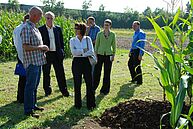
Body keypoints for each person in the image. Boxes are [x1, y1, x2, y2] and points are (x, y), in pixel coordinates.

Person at [21, 6, 49, 118]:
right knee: (30, 87)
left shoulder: (34, 28)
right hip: (32, 63)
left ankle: (33, 105)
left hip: (38, 61)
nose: (41, 18)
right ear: (34, 15)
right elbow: (26, 47)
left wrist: (42, 49)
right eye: (40, 16)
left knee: (35, 86)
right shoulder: (26, 28)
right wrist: (40, 47)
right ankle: (28, 110)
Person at [38, 11, 70, 97]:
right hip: (46, 54)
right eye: (48, 18)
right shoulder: (41, 29)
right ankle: (47, 91)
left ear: (54, 19)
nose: (50, 20)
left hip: (57, 54)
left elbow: (61, 42)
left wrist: (62, 52)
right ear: (45, 19)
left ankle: (64, 91)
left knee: (60, 73)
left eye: (51, 18)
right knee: (46, 73)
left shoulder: (57, 29)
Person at [70, 23, 96, 110]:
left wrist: (80, 52)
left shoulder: (88, 39)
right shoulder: (72, 40)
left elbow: (91, 51)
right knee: (77, 84)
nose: (76, 30)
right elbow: (73, 53)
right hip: (76, 62)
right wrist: (84, 51)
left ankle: (91, 104)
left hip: (86, 62)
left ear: (82, 30)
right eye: (75, 28)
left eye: (77, 28)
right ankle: (77, 104)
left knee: (89, 83)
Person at [93, 19, 116, 95]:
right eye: (105, 24)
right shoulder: (99, 34)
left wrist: (113, 55)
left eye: (107, 25)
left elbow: (114, 46)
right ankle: (93, 88)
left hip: (108, 55)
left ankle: (105, 89)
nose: (105, 26)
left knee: (107, 73)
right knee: (97, 72)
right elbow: (96, 45)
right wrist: (95, 55)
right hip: (100, 54)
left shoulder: (113, 34)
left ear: (110, 26)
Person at [13, 14, 29, 103]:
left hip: (19, 54)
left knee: (22, 78)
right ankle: (23, 98)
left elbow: (15, 42)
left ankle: (20, 97)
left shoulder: (17, 28)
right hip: (26, 55)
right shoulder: (25, 28)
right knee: (26, 78)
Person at [128, 21, 146, 85]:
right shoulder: (135, 33)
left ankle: (139, 81)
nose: (133, 27)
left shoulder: (141, 33)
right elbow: (133, 43)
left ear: (138, 26)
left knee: (137, 66)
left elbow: (142, 44)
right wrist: (130, 51)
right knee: (130, 64)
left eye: (135, 26)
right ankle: (134, 78)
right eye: (133, 26)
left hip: (138, 51)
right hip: (133, 50)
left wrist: (140, 54)